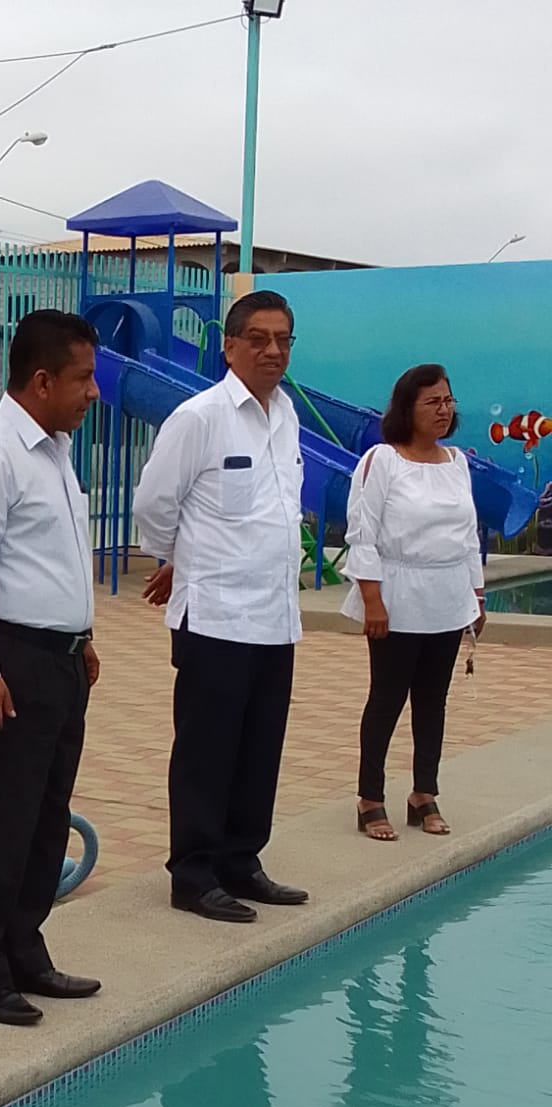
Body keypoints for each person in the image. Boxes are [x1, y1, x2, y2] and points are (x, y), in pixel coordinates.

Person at [0, 309, 101, 1026]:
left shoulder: (55, 451)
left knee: (44, 820)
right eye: (82, 378)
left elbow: (50, 560)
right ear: (41, 381)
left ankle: (24, 950)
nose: (92, 391)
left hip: (59, 663)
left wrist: (82, 635)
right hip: (7, 664)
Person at [132, 290, 309, 924]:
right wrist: (183, 557)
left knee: (260, 749)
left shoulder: (286, 415)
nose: (272, 350)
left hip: (275, 617)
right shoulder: (200, 417)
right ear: (229, 347)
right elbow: (153, 505)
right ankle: (193, 874)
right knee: (206, 753)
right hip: (215, 618)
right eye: (258, 338)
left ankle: (241, 860)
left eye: (283, 339)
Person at [344, 364, 485, 841]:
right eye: (433, 402)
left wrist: (476, 595)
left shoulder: (456, 462)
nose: (444, 410)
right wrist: (372, 599)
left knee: (432, 701)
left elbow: (468, 537)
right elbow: (362, 534)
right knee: (386, 699)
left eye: (448, 401)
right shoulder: (382, 461)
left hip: (448, 595)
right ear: (408, 408)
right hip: (398, 594)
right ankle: (370, 797)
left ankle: (424, 792)